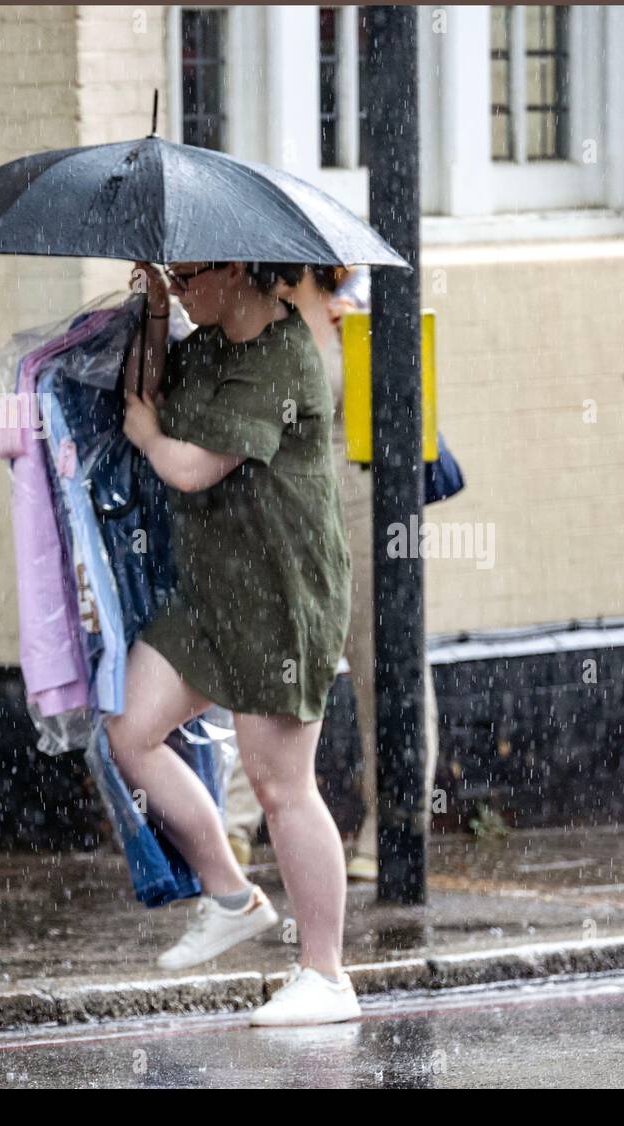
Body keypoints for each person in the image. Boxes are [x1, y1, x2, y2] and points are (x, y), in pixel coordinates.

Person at [110, 258, 357, 1026]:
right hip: (213, 596)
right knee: (131, 729)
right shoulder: (209, 341)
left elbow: (187, 465)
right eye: (174, 276)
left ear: (243, 269)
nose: (182, 286)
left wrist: (151, 436)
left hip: (282, 601)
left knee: (283, 788)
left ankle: (326, 975)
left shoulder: (283, 360)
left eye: (188, 275)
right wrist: (154, 310)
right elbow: (145, 393)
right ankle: (228, 893)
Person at [225, 265, 440, 882]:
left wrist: (367, 335)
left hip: (363, 507)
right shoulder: (264, 324)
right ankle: (237, 822)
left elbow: (407, 411)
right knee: (265, 661)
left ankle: (393, 820)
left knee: (384, 661)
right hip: (286, 513)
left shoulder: (367, 316)